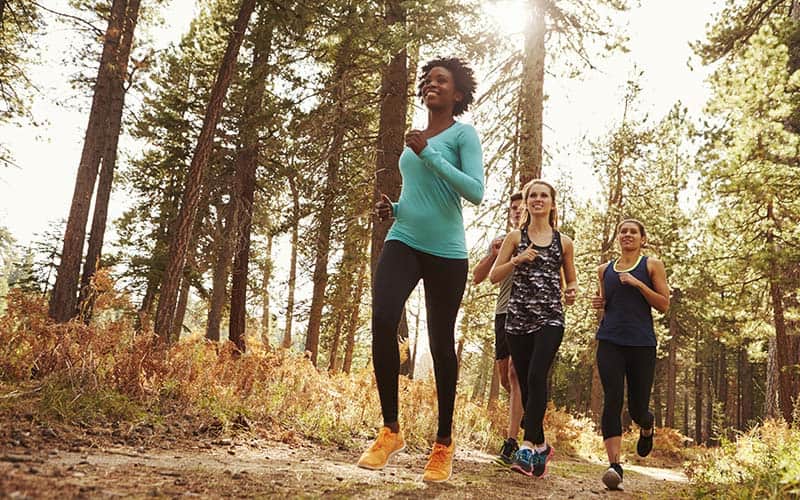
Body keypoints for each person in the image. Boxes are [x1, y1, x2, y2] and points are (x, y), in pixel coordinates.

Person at [356, 56, 483, 483]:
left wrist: (428, 153)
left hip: (447, 250)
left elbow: (475, 191)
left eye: (441, 80)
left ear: (457, 93)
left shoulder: (463, 134)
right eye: (427, 80)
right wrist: (393, 208)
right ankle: (390, 429)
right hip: (404, 237)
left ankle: (443, 442)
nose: (431, 84)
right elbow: (418, 195)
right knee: (382, 317)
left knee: (441, 340)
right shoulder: (415, 138)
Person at [489, 179, 577, 478]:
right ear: (526, 202)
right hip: (518, 319)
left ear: (552, 203)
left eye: (544, 196)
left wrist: (572, 291)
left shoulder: (564, 242)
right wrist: (517, 259)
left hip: (550, 317)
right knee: (526, 385)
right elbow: (493, 276)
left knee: (538, 374)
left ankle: (527, 446)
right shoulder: (515, 237)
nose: (538, 200)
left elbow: (572, 279)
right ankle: (542, 445)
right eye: (533, 196)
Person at [591, 219, 670, 491]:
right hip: (610, 340)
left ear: (642, 239)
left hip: (641, 344)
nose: (627, 235)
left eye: (633, 232)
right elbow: (604, 303)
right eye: (622, 231)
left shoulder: (651, 265)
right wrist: (599, 303)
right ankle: (614, 465)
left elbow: (663, 304)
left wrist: (638, 285)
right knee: (612, 398)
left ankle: (647, 426)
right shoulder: (604, 270)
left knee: (637, 408)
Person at [471, 192, 525, 466]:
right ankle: (525, 407)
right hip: (503, 313)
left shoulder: (540, 239)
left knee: (517, 373)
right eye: (513, 208)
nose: (517, 211)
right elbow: (478, 278)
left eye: (521, 207)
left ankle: (511, 442)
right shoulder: (503, 242)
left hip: (529, 314)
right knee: (506, 378)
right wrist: (493, 256)